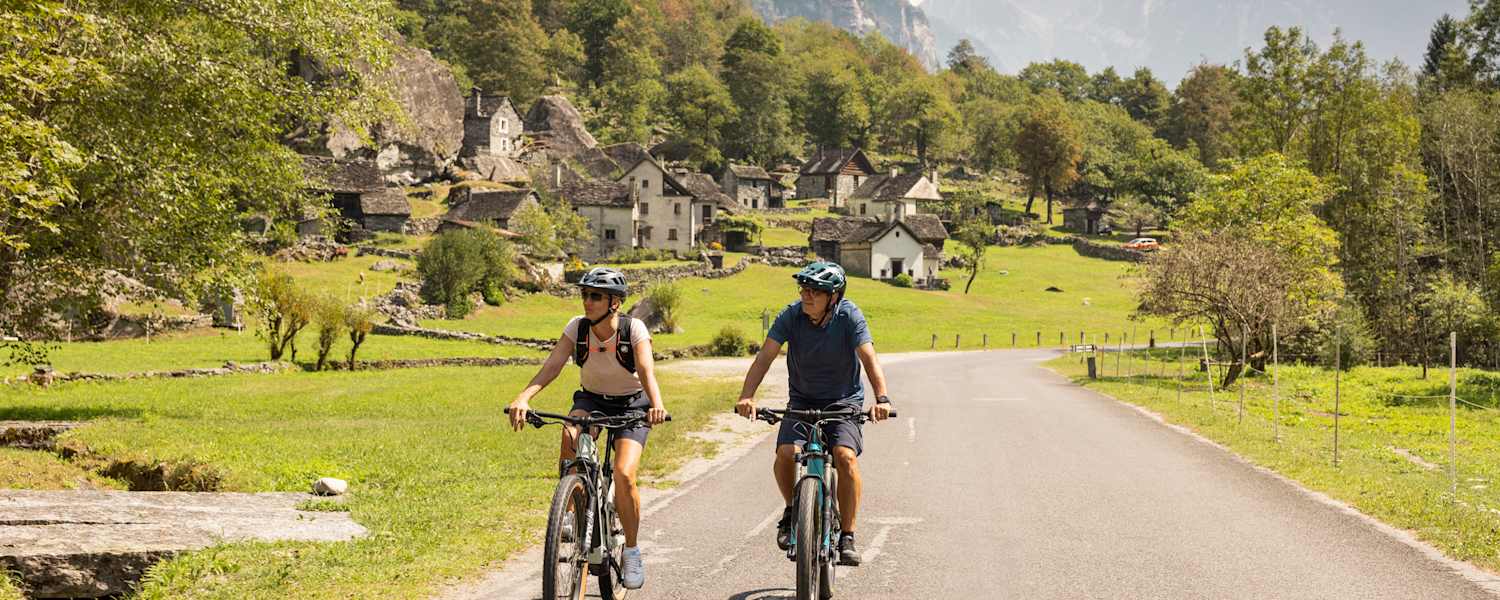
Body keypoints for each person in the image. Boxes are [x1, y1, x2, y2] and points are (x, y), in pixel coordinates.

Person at [508, 267, 667, 589]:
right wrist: (523, 397)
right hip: (592, 400)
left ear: (615, 303)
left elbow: (647, 370)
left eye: (595, 296)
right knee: (569, 431)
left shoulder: (632, 329)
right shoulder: (577, 328)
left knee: (623, 474)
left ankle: (632, 551)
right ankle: (570, 509)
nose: (587, 302)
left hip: (632, 405)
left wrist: (656, 404)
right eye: (584, 295)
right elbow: (552, 366)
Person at [734, 261, 893, 566]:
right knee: (785, 453)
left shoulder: (849, 316)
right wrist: (747, 396)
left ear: (833, 297)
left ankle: (847, 534)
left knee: (845, 456)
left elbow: (869, 357)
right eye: (804, 289)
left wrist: (882, 398)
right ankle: (793, 509)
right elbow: (765, 356)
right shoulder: (791, 315)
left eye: (815, 292)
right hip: (802, 399)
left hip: (842, 401)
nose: (806, 296)